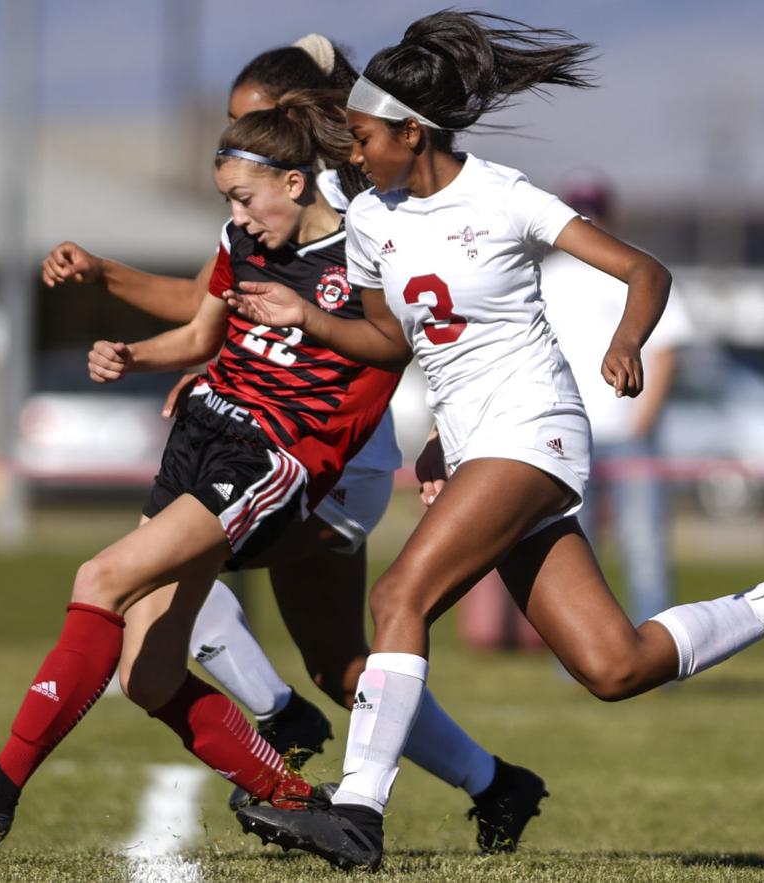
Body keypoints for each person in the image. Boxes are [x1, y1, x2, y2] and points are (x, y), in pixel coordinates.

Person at [228, 11, 764, 871]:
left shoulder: (504, 195)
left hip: (535, 430)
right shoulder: (370, 221)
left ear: (411, 129)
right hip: (477, 446)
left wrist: (625, 343)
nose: (353, 155)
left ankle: (357, 812)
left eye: (362, 137)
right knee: (612, 665)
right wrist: (313, 322)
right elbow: (393, 344)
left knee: (399, 597)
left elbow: (644, 271)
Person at [40, 37, 548, 852]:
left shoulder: (361, 207)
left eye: (256, 122)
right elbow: (220, 304)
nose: (240, 139)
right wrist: (155, 318)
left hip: (339, 462)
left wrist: (447, 433)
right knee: (342, 664)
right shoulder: (261, 205)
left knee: (163, 564)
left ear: (297, 128)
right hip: (300, 453)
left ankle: (276, 716)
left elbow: (399, 327)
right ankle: (497, 783)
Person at [543, 172, 692, 623]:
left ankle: (660, 651)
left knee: (644, 547)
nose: (592, 222)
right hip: (570, 433)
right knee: (572, 552)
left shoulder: (637, 270)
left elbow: (667, 349)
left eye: (596, 214)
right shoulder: (546, 277)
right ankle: (581, 657)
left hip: (629, 434)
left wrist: (642, 421)